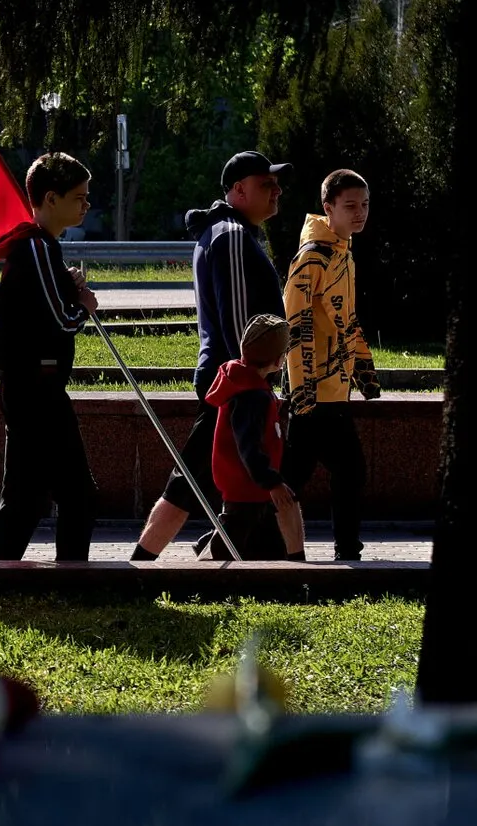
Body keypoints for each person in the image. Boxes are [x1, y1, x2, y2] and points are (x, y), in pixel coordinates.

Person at [132, 150, 292, 561]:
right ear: (238, 190)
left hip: (231, 381)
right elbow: (244, 324)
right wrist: (253, 377)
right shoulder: (233, 235)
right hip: (236, 383)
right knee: (191, 479)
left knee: (210, 478)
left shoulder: (228, 232)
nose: (276, 192)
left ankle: (170, 557)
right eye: (265, 185)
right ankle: (139, 565)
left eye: (276, 184)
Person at [0, 151, 100, 562]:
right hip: (38, 390)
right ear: (50, 199)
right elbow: (61, 319)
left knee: (26, 497)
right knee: (75, 494)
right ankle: (69, 579)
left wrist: (68, 289)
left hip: (30, 388)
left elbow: (45, 304)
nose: (86, 206)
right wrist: (84, 304)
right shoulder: (36, 248)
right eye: (79, 198)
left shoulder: (39, 248)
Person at [282, 169, 379, 561]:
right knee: (341, 470)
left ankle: (244, 535)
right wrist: (302, 386)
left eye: (365, 205)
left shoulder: (343, 251)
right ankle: (346, 551)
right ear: (328, 208)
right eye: (350, 206)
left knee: (297, 475)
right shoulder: (313, 258)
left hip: (335, 387)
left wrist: (365, 372)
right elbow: (296, 324)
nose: (360, 213)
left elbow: (346, 320)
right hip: (314, 389)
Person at [204, 314, 306, 561]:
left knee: (265, 541)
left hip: (250, 488)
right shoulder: (252, 396)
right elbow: (249, 446)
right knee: (227, 545)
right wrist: (271, 481)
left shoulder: (250, 386)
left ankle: (291, 573)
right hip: (247, 487)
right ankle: (203, 567)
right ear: (277, 359)